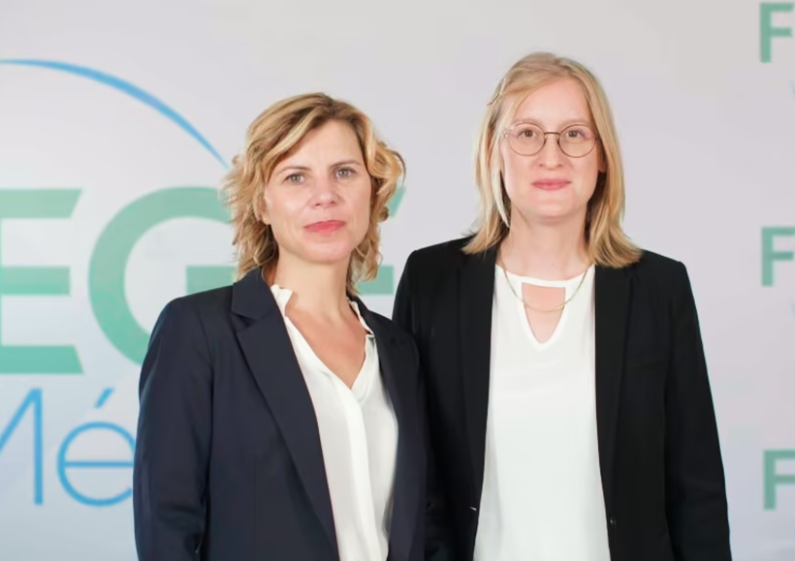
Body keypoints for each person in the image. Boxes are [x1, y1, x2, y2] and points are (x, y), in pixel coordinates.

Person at [393, 52, 732, 561]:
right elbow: (411, 475)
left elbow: (696, 485)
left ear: (602, 156)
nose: (551, 157)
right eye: (527, 134)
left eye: (574, 134)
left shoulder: (659, 288)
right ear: (494, 151)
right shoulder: (432, 281)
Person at [133, 93, 450, 561]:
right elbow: (166, 527)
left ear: (373, 192)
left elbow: (426, 524)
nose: (325, 195)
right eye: (296, 177)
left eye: (344, 172)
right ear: (261, 204)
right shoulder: (199, 332)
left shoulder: (400, 350)